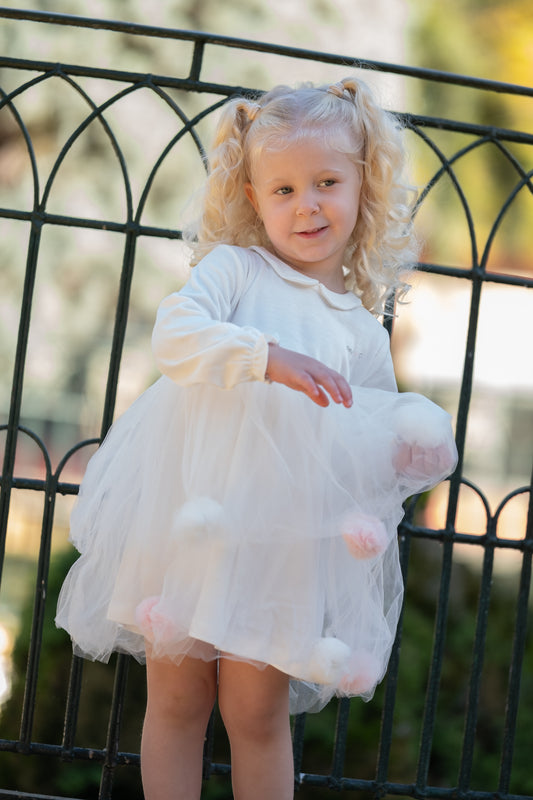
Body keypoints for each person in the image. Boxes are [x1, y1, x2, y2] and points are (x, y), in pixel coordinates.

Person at [56, 77, 457, 800]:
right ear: (251, 196)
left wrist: (402, 451)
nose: (306, 204)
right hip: (192, 524)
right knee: (178, 701)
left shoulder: (360, 332)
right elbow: (174, 337)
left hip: (281, 551)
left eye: (326, 182)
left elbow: (358, 445)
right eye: (283, 190)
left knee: (257, 713)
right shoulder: (234, 272)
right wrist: (266, 358)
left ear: (362, 185)